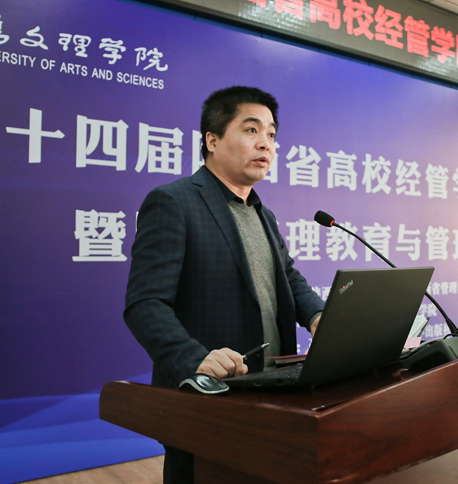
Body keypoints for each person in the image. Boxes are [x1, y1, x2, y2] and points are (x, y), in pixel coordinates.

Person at [123, 86, 325, 483]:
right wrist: (193, 359)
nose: (265, 143)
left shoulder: (263, 213)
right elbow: (145, 303)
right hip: (207, 400)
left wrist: (319, 316)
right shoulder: (174, 202)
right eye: (251, 130)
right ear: (212, 140)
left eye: (271, 134)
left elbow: (287, 278)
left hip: (271, 393)